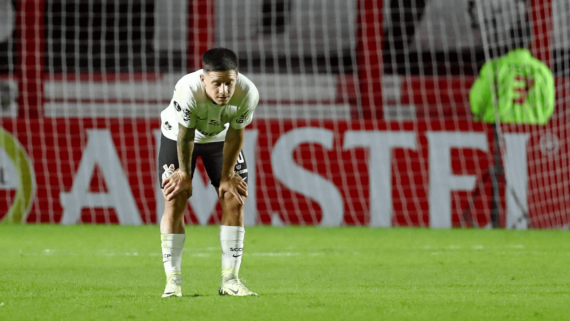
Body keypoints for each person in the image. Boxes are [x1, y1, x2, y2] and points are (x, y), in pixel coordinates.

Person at [158, 48, 259, 297]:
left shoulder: (248, 92)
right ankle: (173, 282)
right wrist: (184, 173)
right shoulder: (187, 89)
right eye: (217, 84)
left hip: (221, 140)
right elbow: (186, 136)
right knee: (175, 199)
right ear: (203, 79)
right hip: (178, 136)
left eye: (229, 83)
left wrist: (226, 177)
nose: (224, 91)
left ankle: (231, 281)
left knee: (234, 199)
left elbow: (236, 133)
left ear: (237, 77)